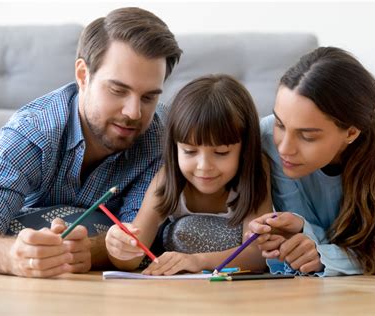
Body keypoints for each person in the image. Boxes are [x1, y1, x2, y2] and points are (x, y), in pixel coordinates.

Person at [0, 7, 182, 278]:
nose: (133, 113)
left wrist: (90, 251)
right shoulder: (34, 130)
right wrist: (12, 257)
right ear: (83, 75)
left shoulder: (162, 138)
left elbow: (136, 235)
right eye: (118, 90)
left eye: (149, 97)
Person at [249, 46, 375, 276]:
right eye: (280, 124)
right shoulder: (267, 137)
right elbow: (315, 240)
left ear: (351, 133)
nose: (284, 148)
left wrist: (324, 255)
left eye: (307, 136)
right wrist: (298, 232)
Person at [105, 74, 272, 275]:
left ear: (245, 149)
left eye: (221, 153)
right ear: (175, 148)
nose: (204, 166)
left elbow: (257, 255)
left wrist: (197, 261)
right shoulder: (167, 179)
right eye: (190, 151)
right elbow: (134, 256)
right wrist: (119, 248)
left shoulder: (255, 172)